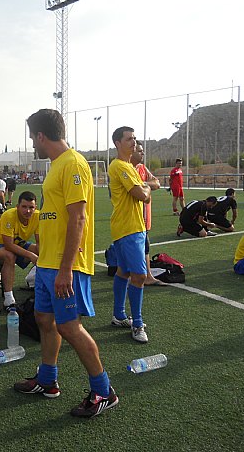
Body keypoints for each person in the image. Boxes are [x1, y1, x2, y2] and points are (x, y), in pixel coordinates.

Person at [14, 109, 118, 419]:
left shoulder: (73, 163)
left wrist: (64, 268)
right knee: (44, 321)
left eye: (33, 136)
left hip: (65, 266)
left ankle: (103, 390)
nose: (32, 141)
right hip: (47, 263)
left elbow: (79, 217)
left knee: (69, 327)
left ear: (41, 136)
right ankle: (47, 381)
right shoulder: (57, 165)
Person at [108, 126, 151, 343]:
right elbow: (141, 194)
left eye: (134, 138)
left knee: (124, 272)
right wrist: (147, 188)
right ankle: (137, 323)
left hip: (133, 227)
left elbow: (145, 193)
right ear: (118, 143)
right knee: (140, 276)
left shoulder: (128, 166)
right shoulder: (119, 166)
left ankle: (118, 315)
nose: (133, 142)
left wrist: (146, 189)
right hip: (129, 228)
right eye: (129, 139)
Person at [0, 191, 39, 308]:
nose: (28, 211)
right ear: (17, 207)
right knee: (9, 255)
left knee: (44, 251)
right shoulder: (9, 215)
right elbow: (8, 245)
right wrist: (31, 255)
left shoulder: (37, 216)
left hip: (19, 244)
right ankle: (8, 298)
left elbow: (40, 242)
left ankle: (36, 282)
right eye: (24, 207)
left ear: (35, 207)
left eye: (31, 207)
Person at [129, 142, 165, 286]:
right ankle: (137, 276)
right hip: (133, 217)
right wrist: (144, 187)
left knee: (145, 246)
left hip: (145, 217)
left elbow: (157, 183)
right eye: (139, 151)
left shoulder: (143, 168)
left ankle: (146, 275)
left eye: (142, 151)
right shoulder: (127, 169)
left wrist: (144, 184)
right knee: (137, 247)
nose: (142, 153)